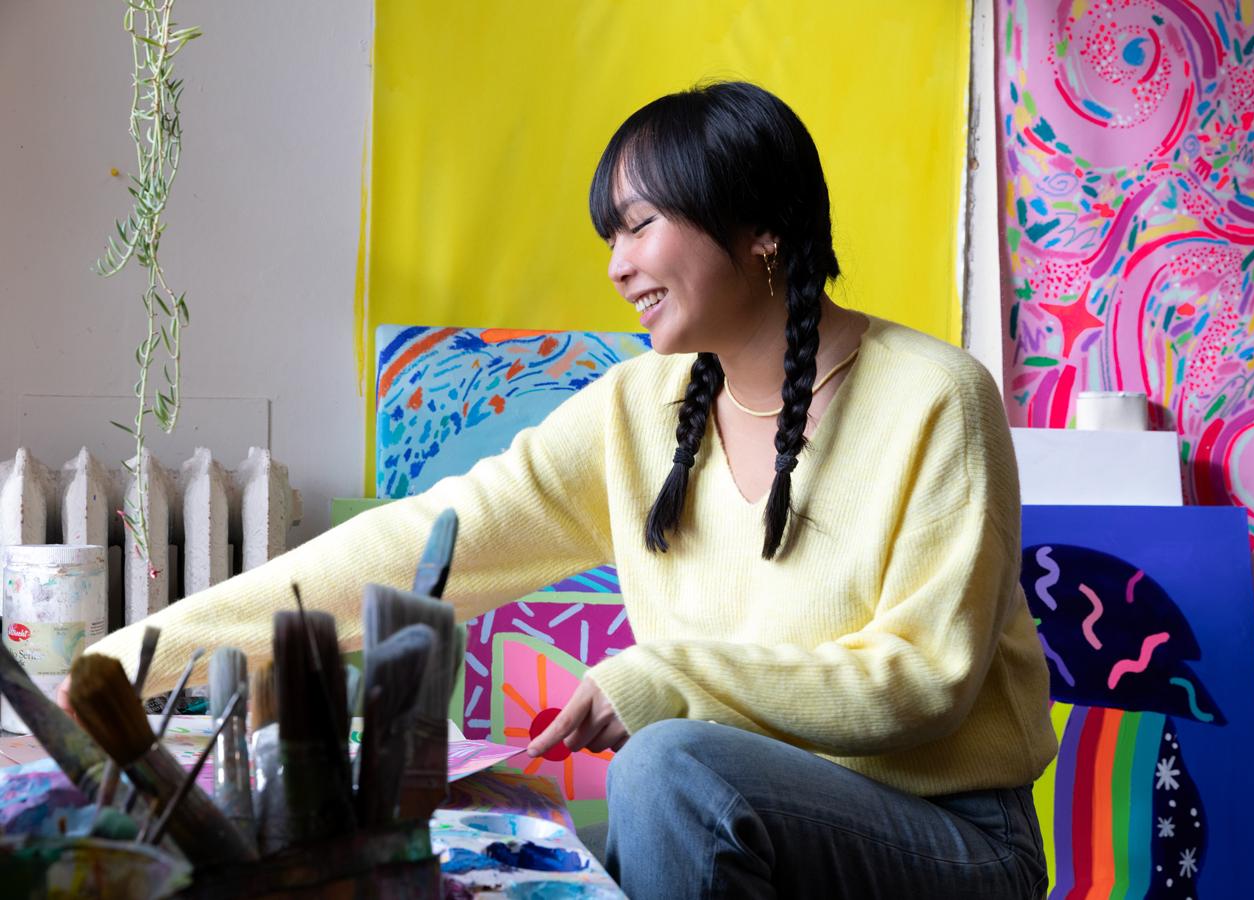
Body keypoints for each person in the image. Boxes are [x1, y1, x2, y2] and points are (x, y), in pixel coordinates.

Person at [69, 81, 1056, 898]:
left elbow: (924, 682)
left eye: (641, 226)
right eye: (611, 236)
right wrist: (125, 662)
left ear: (759, 227)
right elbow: (425, 542)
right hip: (729, 812)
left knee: (664, 766)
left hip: (948, 837)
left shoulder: (937, 398)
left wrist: (663, 677)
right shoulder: (641, 407)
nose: (620, 266)